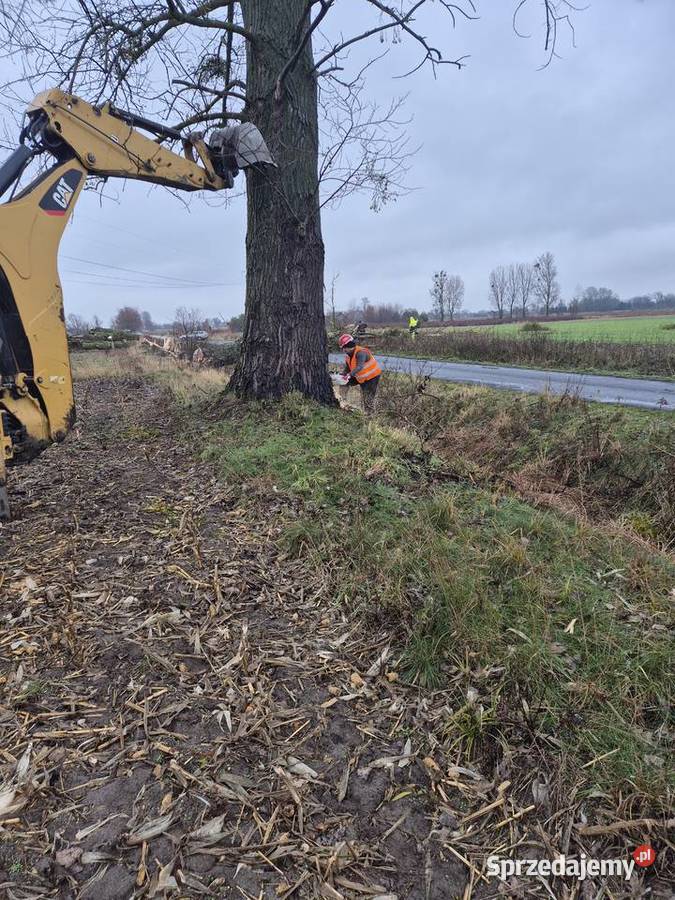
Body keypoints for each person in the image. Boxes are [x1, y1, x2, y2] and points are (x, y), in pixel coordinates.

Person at [337, 333, 382, 415]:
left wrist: (349, 375)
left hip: (372, 377)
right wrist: (341, 376)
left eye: (345, 347)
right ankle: (342, 401)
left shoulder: (361, 352)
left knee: (368, 398)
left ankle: (370, 415)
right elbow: (347, 368)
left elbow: (359, 366)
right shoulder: (348, 356)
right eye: (343, 348)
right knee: (344, 382)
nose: (344, 350)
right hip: (360, 377)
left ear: (350, 345)